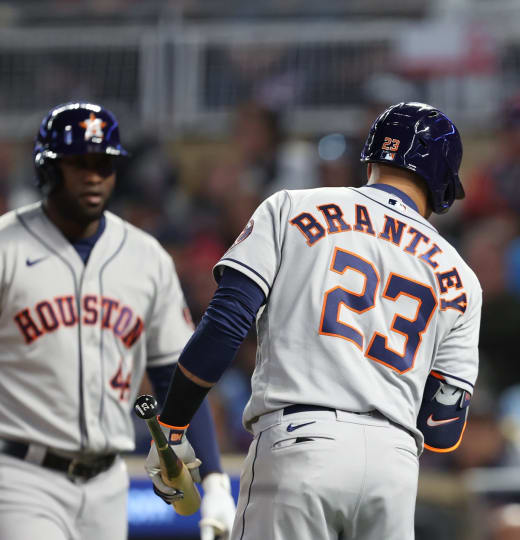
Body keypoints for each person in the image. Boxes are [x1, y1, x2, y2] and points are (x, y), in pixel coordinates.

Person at [146, 102, 481, 540]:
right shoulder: (462, 277)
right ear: (441, 184)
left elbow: (225, 324)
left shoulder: (292, 206)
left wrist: (172, 425)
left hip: (299, 443)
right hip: (394, 467)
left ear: (372, 158)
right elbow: (441, 427)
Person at [0, 102, 235, 540]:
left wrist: (216, 478)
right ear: (48, 170)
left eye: (104, 164)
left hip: (109, 480)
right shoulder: (6, 248)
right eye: (79, 164)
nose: (93, 176)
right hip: (20, 478)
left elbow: (176, 378)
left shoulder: (145, 256)